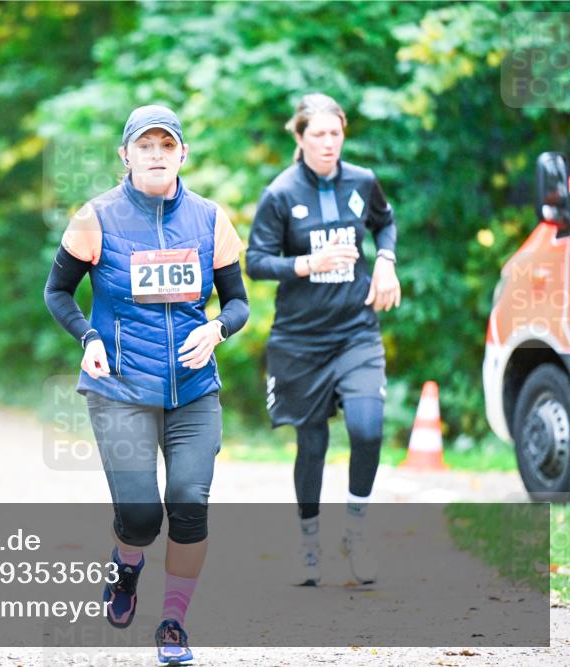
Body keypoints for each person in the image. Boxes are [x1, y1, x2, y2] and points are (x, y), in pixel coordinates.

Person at [44, 105, 249, 665]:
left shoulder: (210, 219)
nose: (156, 155)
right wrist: (88, 337)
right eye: (145, 146)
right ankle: (126, 570)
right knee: (140, 518)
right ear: (126, 156)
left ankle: (173, 624)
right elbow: (57, 293)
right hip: (121, 389)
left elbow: (238, 302)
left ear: (183, 153)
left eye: (166, 145)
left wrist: (218, 328)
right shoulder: (96, 218)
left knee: (189, 504)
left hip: (193, 388)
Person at [245, 93, 401, 587]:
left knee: (369, 428)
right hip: (301, 340)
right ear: (299, 137)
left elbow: (386, 222)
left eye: (336, 133)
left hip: (355, 330)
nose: (329, 143)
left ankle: (355, 531)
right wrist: (305, 264)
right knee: (311, 445)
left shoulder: (362, 181)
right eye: (319, 135)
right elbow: (255, 261)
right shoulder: (280, 193)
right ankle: (309, 543)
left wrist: (385, 261)